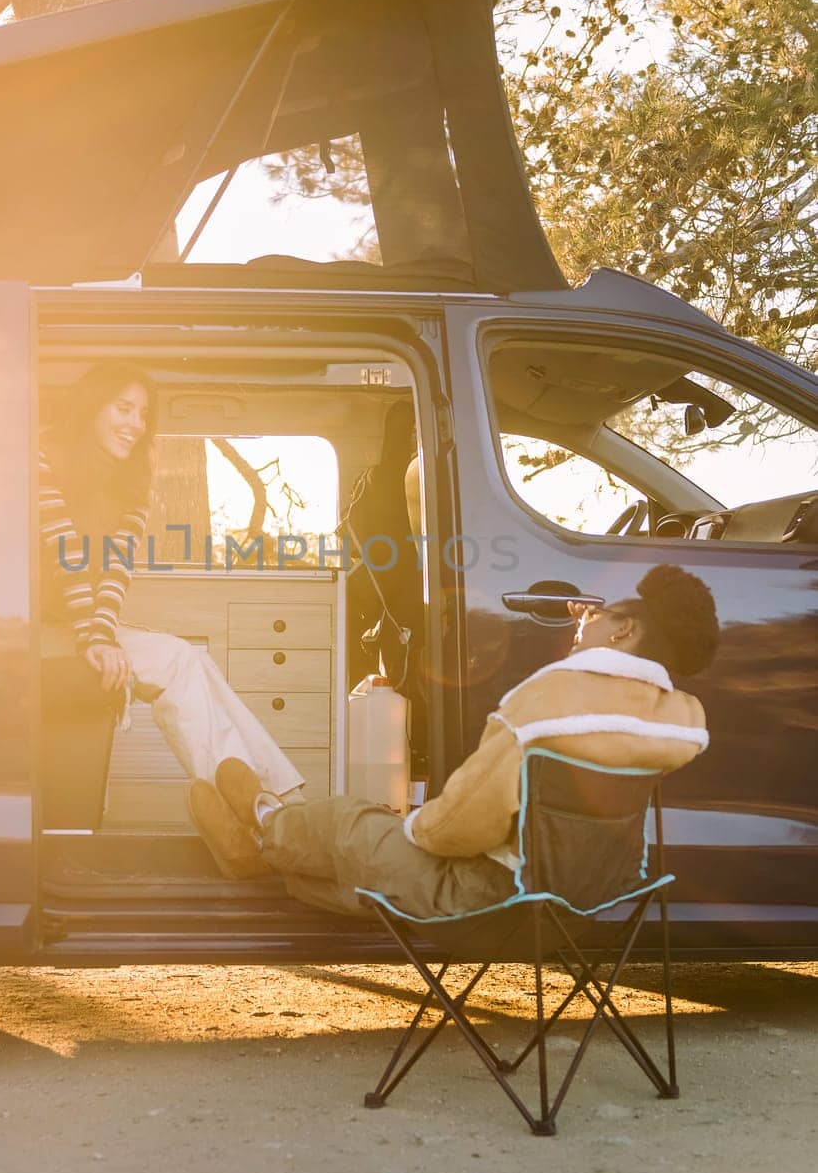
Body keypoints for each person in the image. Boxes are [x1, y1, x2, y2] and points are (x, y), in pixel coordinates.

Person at [186, 565, 720, 917]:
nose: (580, 619)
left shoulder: (546, 702)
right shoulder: (676, 723)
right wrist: (597, 629)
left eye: (596, 613)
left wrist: (410, 827)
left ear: (624, 631)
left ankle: (264, 827)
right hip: (593, 897)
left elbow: (459, 824)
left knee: (349, 822)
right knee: (354, 876)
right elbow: (609, 701)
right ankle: (261, 854)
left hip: (490, 895)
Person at [40, 362, 302, 797]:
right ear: (91, 407)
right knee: (165, 656)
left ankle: (275, 805)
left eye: (143, 414)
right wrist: (95, 639)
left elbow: (113, 570)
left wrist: (99, 634)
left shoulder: (134, 483)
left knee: (184, 659)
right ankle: (264, 810)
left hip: (75, 629)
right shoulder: (43, 458)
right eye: (123, 408)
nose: (135, 425)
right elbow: (64, 550)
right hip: (23, 629)